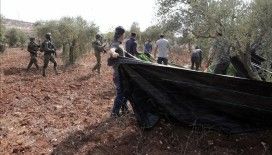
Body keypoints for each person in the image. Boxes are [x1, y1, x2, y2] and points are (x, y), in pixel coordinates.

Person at [108, 26, 128, 117]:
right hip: (118, 74)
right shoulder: (115, 44)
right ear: (121, 34)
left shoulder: (120, 44)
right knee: (121, 93)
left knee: (125, 91)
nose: (124, 36)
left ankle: (125, 109)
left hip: (122, 73)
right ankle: (114, 113)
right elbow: (111, 50)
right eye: (124, 34)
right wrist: (113, 53)